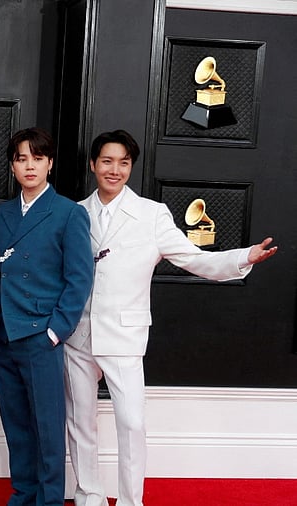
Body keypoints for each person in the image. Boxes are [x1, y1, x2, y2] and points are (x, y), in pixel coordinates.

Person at [64, 129, 277, 506]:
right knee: (80, 422)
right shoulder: (75, 213)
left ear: (131, 167)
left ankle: (131, 501)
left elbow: (195, 258)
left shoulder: (151, 214)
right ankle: (88, 494)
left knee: (132, 424)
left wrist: (244, 257)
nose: (115, 170)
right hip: (77, 335)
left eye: (124, 163)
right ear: (93, 164)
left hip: (124, 336)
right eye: (108, 161)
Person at [0, 127, 94, 506]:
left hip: (41, 334)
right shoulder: (0, 215)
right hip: (4, 334)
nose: (29, 165)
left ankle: (49, 500)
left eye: (37, 157)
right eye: (21, 158)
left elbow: (80, 278)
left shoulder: (69, 212)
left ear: (49, 163)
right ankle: (23, 495)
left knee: (48, 429)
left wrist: (56, 331)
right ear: (13, 166)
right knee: (16, 427)